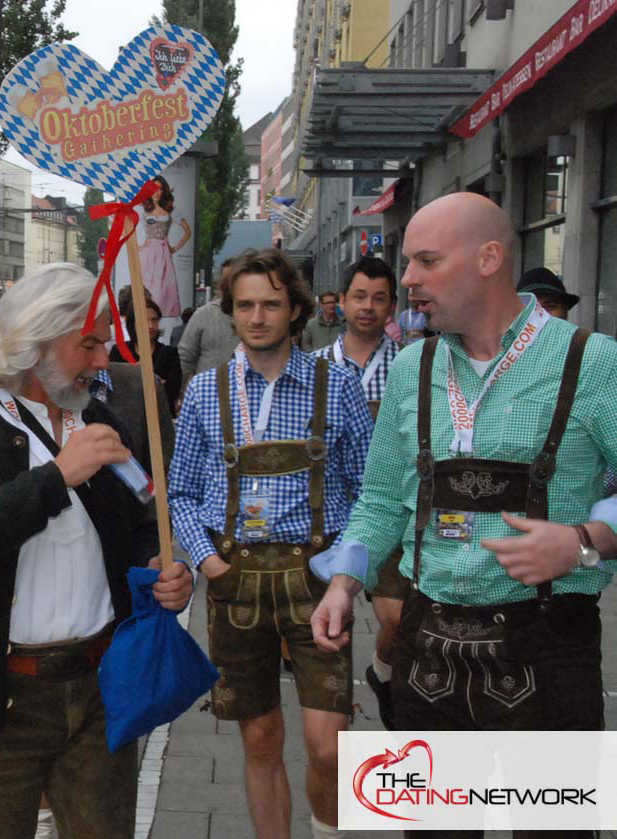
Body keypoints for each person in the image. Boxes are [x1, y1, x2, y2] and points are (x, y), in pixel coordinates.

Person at [310, 195, 617, 837]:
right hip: (429, 650)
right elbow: (381, 498)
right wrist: (344, 583)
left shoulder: (591, 362)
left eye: (426, 260)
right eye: (408, 262)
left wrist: (586, 541)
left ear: (488, 258)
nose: (409, 280)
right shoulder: (412, 368)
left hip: (548, 645)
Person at [0, 263, 191, 839]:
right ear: (32, 344)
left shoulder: (101, 420)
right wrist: (55, 478)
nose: (101, 358)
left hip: (99, 688)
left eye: (105, 341)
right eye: (88, 343)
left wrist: (162, 572)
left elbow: (137, 529)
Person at [168, 249, 372, 839]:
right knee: (259, 738)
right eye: (246, 305)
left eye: (271, 304)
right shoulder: (206, 391)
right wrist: (208, 562)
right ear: (230, 311)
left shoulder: (338, 385)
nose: (257, 317)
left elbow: (368, 488)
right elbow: (180, 492)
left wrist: (345, 573)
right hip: (236, 582)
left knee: (328, 747)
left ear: (295, 310)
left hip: (317, 581)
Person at [310, 256, 402, 730]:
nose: (368, 307)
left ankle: (383, 671)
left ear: (392, 306)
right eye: (359, 296)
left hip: (388, 509)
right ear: (341, 302)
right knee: (325, 627)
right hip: (328, 513)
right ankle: (332, 718)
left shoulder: (410, 365)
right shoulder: (315, 367)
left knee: (398, 620)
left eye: (379, 298)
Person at [109, 298, 183, 414]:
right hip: (126, 416)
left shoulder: (169, 354)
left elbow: (172, 390)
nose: (150, 325)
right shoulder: (119, 351)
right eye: (144, 320)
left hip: (160, 415)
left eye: (154, 320)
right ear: (133, 323)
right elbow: (112, 386)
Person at [177, 257, 241, 384]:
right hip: (208, 395)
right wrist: (184, 389)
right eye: (225, 280)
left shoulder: (254, 318)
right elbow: (185, 358)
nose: (229, 285)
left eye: (234, 279)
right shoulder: (203, 315)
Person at [138, 174, 189, 318]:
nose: (156, 192)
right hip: (147, 254)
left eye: (159, 189)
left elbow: (187, 232)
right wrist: (137, 247)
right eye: (153, 188)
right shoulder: (144, 209)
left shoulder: (171, 210)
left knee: (163, 289)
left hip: (163, 253)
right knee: (147, 287)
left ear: (164, 191)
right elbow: (126, 226)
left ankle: (159, 317)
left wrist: (174, 248)